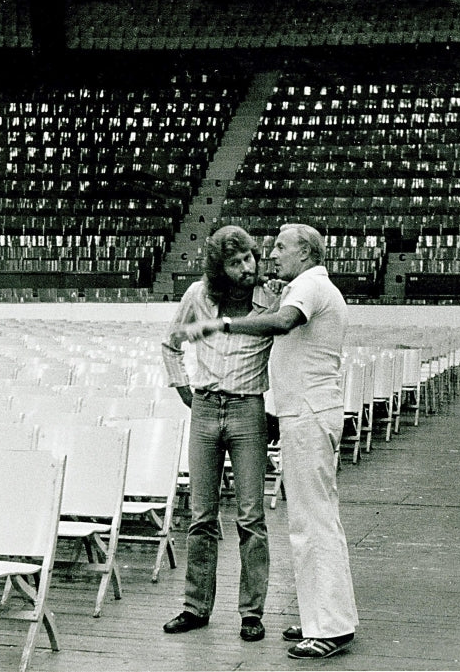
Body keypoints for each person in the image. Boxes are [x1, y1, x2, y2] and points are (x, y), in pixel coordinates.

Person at [174, 223, 358, 660]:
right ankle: (322, 618)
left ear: (307, 254)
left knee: (313, 524)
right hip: (301, 413)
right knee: (311, 522)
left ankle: (329, 628)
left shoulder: (309, 288)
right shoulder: (307, 284)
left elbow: (281, 322)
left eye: (280, 247)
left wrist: (225, 323)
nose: (272, 255)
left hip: (309, 414)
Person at [161, 225, 278, 643]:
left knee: (251, 517)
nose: (247, 267)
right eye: (236, 262)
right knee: (201, 517)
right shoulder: (199, 296)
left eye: (250, 257)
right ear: (220, 269)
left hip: (249, 409)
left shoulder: (273, 298)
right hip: (206, 408)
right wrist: (182, 388)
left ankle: (251, 612)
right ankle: (196, 608)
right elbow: (172, 343)